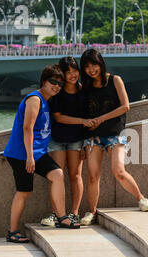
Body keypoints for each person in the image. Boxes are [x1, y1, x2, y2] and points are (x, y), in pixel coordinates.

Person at [4, 64, 80, 243]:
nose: (56, 86)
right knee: (23, 191)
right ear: (44, 81)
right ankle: (12, 231)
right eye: (53, 81)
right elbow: (27, 127)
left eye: (60, 84)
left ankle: (61, 217)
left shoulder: (46, 101)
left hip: (37, 153)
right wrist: (29, 157)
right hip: (22, 154)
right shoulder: (35, 99)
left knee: (57, 174)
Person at [78, 48, 148, 226]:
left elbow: (125, 106)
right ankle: (91, 212)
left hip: (114, 132)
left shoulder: (115, 80)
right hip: (93, 136)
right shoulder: (86, 87)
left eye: (94, 65)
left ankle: (141, 198)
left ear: (101, 63)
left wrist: (101, 119)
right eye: (87, 67)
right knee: (92, 176)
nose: (91, 69)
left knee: (118, 171)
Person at [40, 57, 95, 227]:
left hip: (77, 140)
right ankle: (57, 214)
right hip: (57, 139)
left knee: (75, 175)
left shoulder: (84, 91)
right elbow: (58, 117)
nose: (72, 75)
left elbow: (88, 117)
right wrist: (82, 122)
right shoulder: (58, 91)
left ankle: (74, 213)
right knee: (58, 176)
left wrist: (86, 143)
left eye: (75, 70)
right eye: (68, 72)